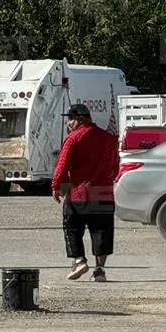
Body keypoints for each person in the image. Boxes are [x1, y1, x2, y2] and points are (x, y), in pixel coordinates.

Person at [53, 103, 120, 282]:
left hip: (79, 193)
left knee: (72, 228)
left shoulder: (73, 138)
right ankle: (99, 271)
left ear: (80, 119)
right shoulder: (109, 138)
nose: (68, 123)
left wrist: (56, 185)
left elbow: (63, 164)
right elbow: (115, 166)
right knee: (102, 231)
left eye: (71, 119)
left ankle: (79, 260)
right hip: (104, 193)